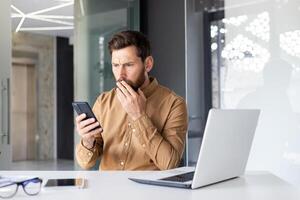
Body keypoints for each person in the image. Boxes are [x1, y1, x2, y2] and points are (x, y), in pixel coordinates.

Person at [75, 30, 188, 170]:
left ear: (148, 64)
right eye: (115, 65)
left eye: (128, 65)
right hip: (107, 190)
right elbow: (85, 163)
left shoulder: (174, 104)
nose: (120, 74)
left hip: (149, 191)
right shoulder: (103, 101)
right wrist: (88, 140)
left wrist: (139, 116)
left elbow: (170, 164)